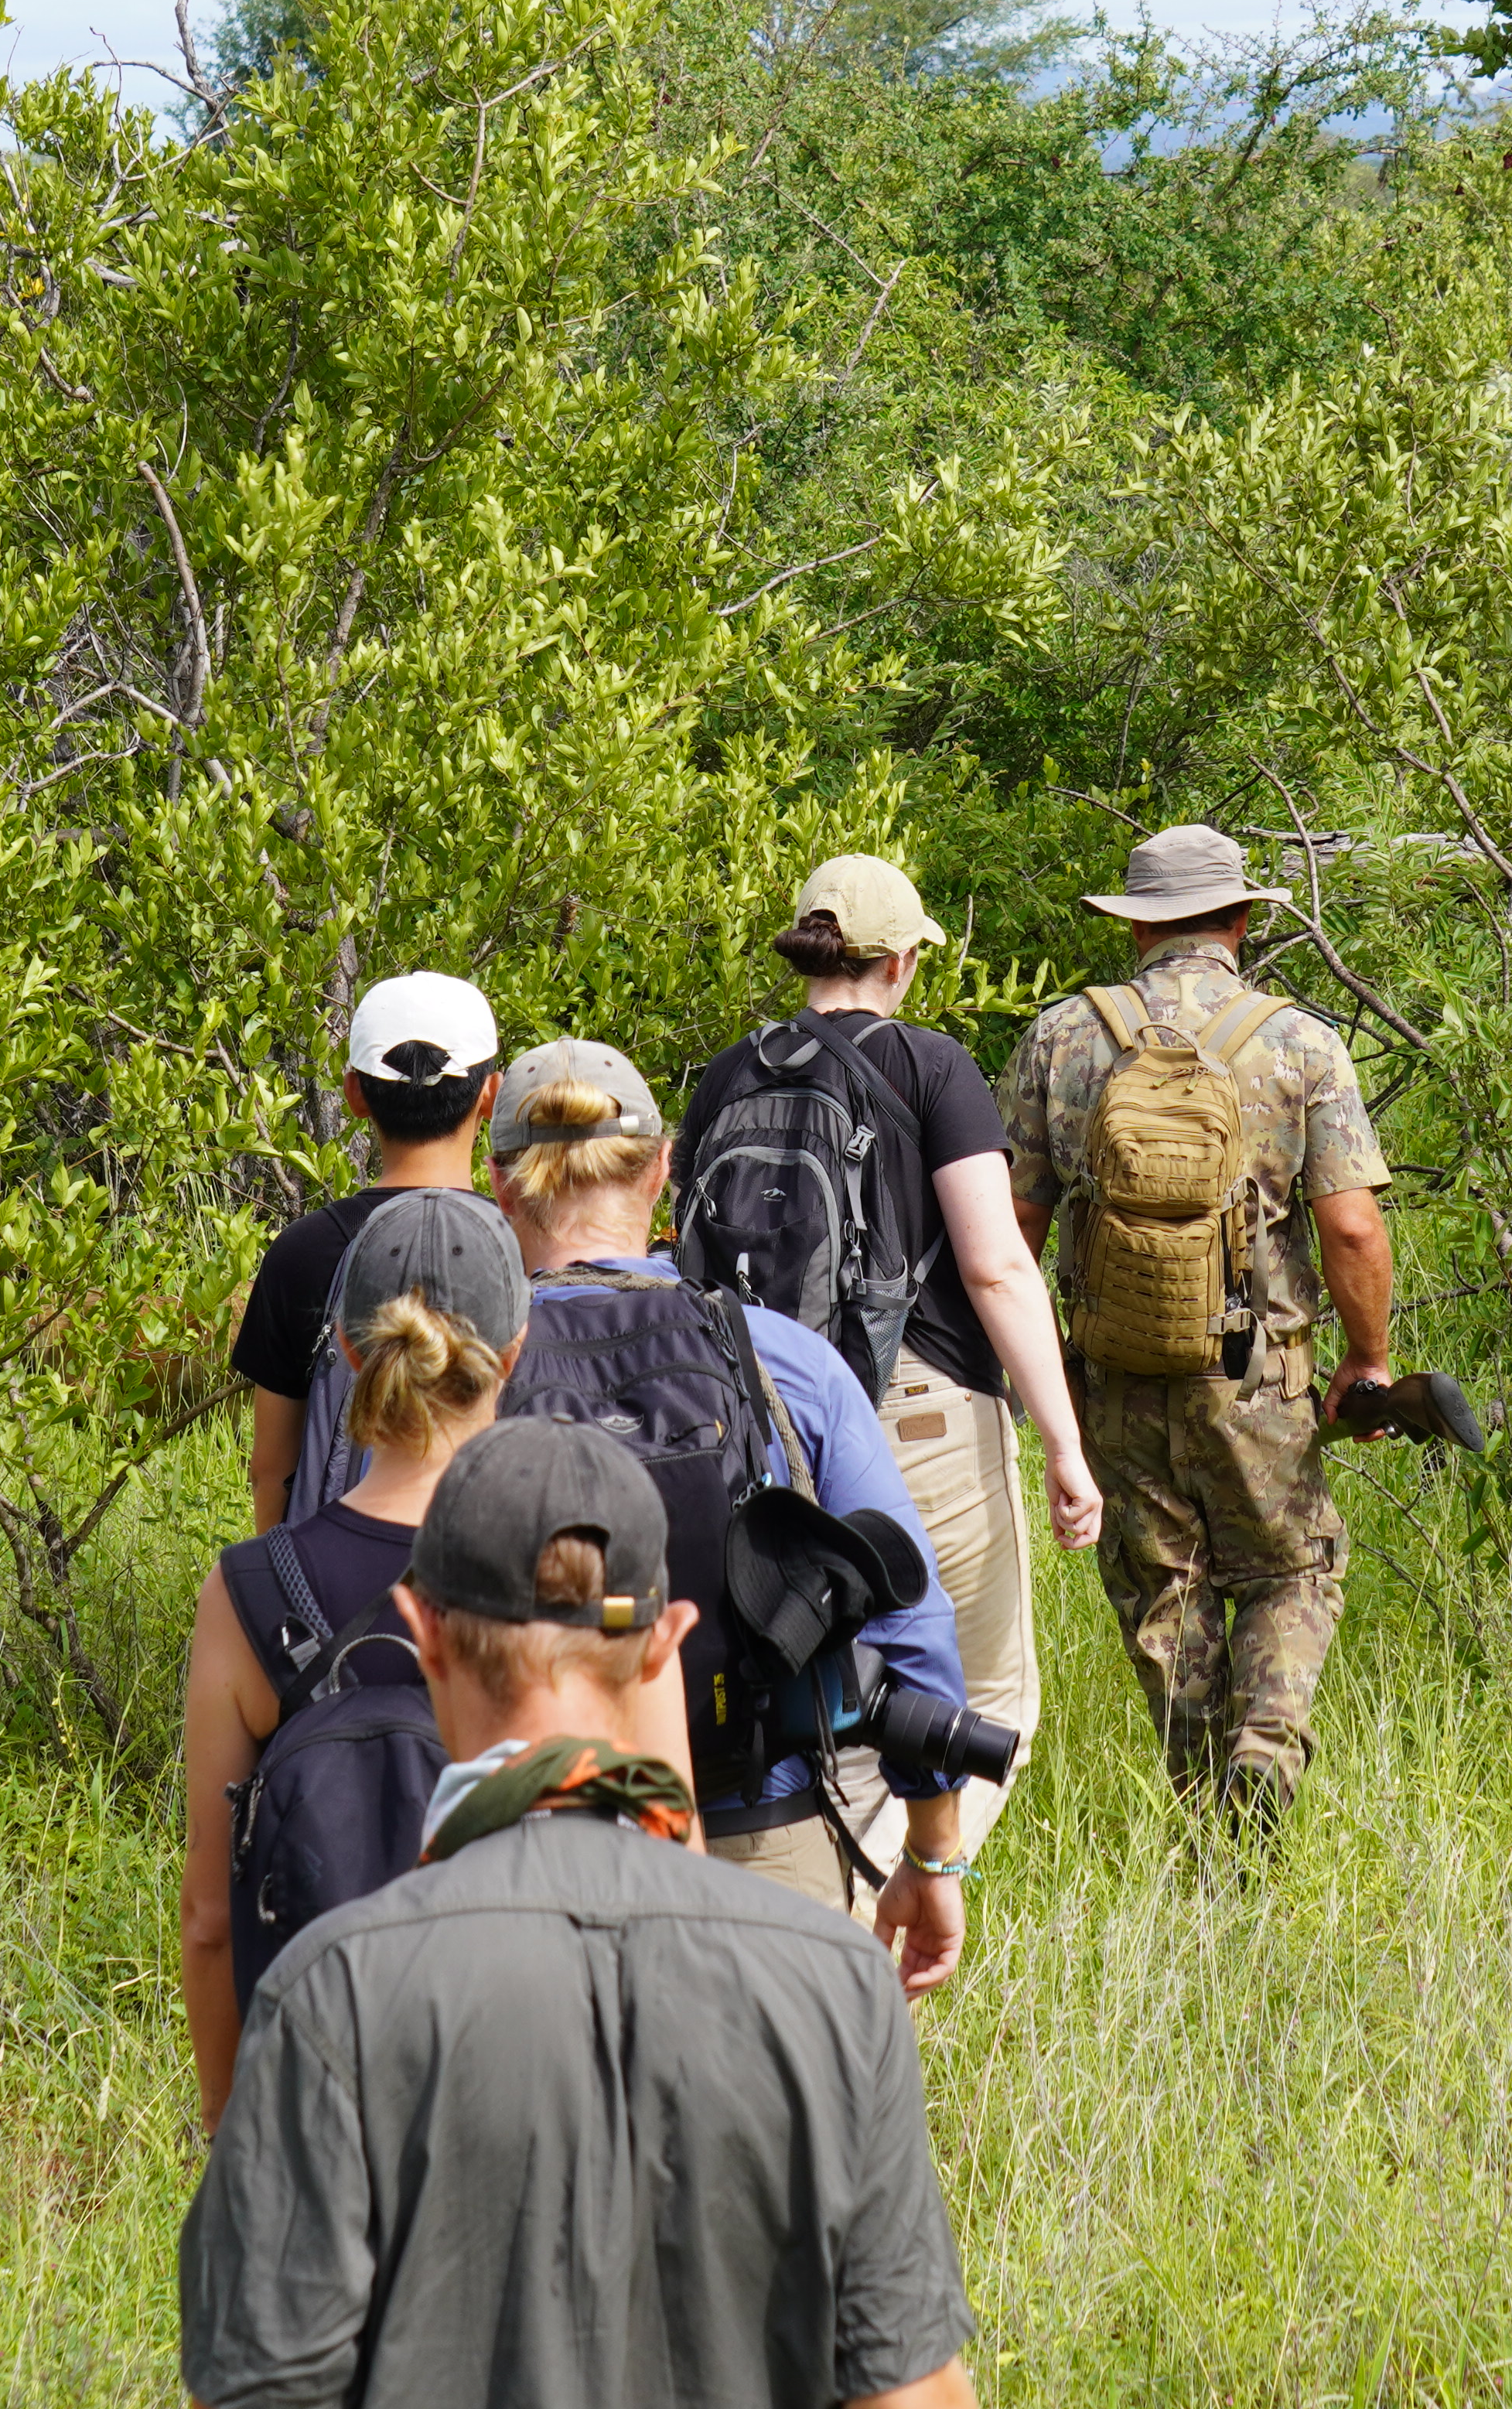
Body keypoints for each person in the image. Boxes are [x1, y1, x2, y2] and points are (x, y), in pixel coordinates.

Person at [179, 1418, 980, 2409]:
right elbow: (913, 2392)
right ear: (667, 1645)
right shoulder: (836, 1984)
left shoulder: (333, 1994)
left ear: (422, 1631)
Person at [488, 1038, 976, 1981]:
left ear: (502, 1187)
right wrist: (930, 1849)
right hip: (763, 1833)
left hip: (529, 1844)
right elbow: (909, 1612)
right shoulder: (777, 1358)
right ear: (665, 1169)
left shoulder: (464, 1374)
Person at [674, 854, 1097, 1860]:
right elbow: (997, 1269)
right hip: (918, 1417)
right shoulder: (932, 1066)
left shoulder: (729, 1073)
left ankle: (818, 1917)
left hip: (759, 1429)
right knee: (987, 1701)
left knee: (816, 1702)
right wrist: (1065, 1446)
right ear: (903, 961)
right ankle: (895, 1901)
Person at [1002, 822, 1393, 1837]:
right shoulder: (1300, 1041)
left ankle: (1208, 1818)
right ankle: (1266, 1746)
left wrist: (1042, 1392)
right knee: (1291, 1567)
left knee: (1163, 1591)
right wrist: (1369, 1359)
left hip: (1115, 1379)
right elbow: (1350, 1225)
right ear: (1243, 918)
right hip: (1256, 1376)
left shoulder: (1063, 1036)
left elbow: (1015, 1234)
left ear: (1135, 928)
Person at [179, 1188, 521, 2125]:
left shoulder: (250, 1589)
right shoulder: (572, 1567)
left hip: (318, 2104)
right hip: (521, 2096)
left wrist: (230, 2133)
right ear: (517, 1354)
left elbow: (210, 1920)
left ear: (343, 1346)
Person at [238, 971, 500, 1530]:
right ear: (491, 1095)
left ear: (355, 1094)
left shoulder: (303, 1253)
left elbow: (271, 1469)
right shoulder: (519, 1250)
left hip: (338, 1588)